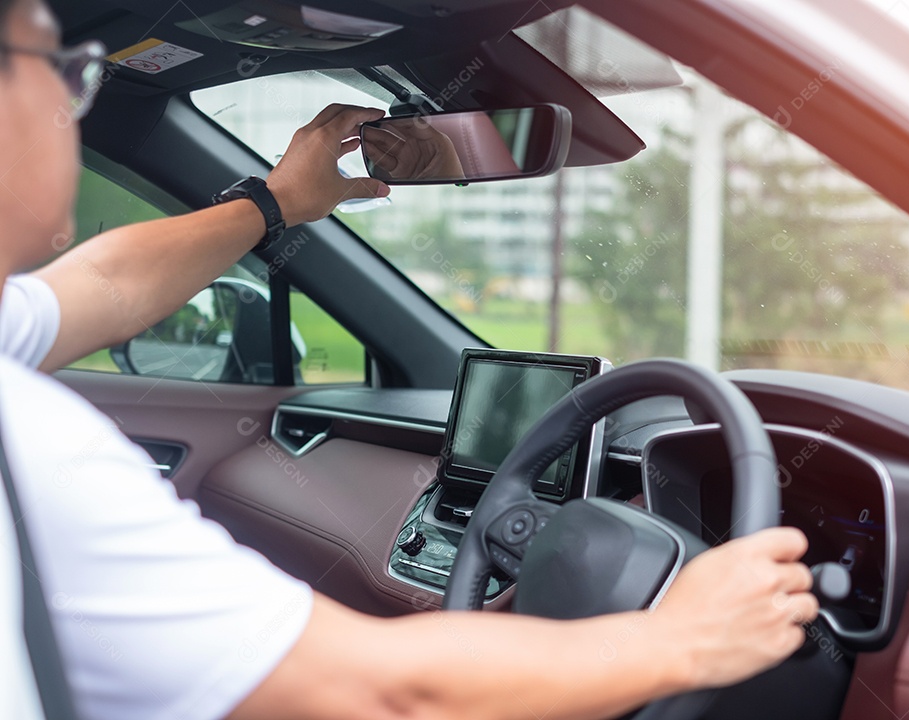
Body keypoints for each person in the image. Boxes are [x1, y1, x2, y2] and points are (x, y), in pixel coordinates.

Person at [0, 0, 819, 718]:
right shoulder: (27, 441)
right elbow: (382, 695)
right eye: (63, 68)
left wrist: (277, 201)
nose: (72, 99)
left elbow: (102, 284)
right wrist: (686, 637)